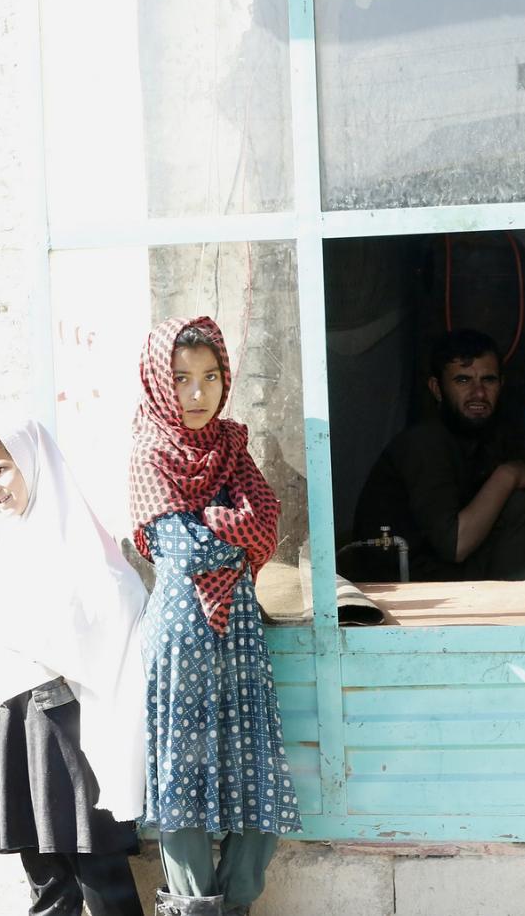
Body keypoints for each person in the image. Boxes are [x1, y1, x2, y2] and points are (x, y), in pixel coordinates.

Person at [129, 316, 300, 916]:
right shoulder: (150, 451)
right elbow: (183, 551)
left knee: (255, 772)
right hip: (181, 636)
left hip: (241, 634)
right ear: (160, 382)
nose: (198, 393)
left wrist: (216, 523)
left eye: (210, 377)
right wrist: (235, 530)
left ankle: (237, 903)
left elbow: (267, 526)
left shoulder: (232, 445)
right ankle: (195, 906)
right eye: (181, 378)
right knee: (184, 780)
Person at [0, 420, 148, 916]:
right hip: (11, 715)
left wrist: (60, 659)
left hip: (62, 714)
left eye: (1, 470)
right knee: (45, 877)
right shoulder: (12, 539)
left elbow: (120, 600)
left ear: (33, 463)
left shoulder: (72, 533)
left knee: (97, 867)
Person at [353, 329, 525, 581]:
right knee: (517, 507)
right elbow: (456, 545)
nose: (479, 393)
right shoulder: (425, 443)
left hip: (448, 576)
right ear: (437, 388)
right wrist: (509, 475)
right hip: (408, 589)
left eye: (488, 380)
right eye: (463, 381)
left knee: (516, 506)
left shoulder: (483, 440)